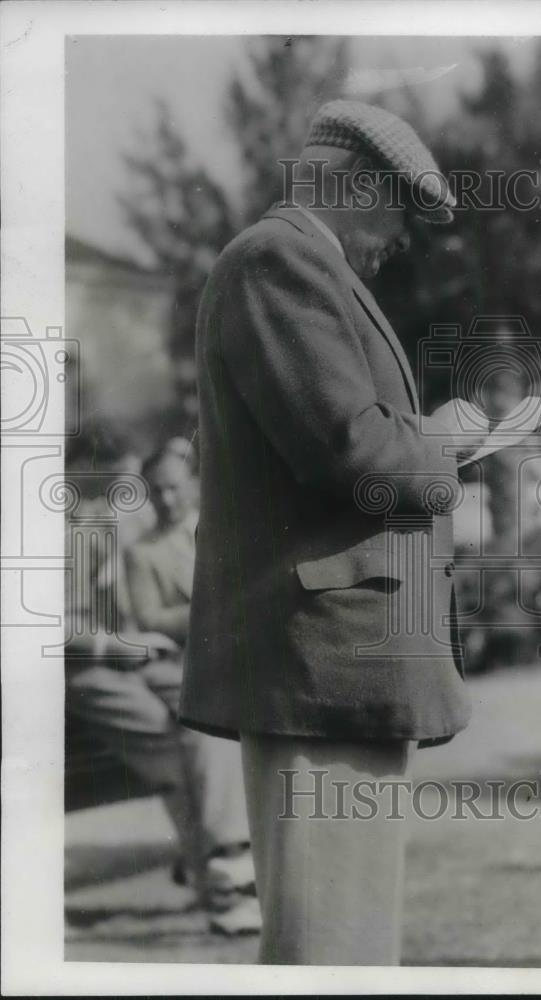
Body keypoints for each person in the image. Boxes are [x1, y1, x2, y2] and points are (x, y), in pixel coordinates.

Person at [180, 100, 491, 965]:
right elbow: (347, 449)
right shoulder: (280, 260)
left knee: (345, 944)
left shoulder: (294, 263)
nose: (402, 238)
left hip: (335, 661)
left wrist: (422, 440)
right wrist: (445, 440)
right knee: (330, 950)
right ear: (353, 182)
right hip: (322, 663)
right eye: (399, 209)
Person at [66, 433, 260, 935]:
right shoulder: (65, 535)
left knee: (195, 735)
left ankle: (217, 871)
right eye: (112, 484)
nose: (129, 498)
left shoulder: (123, 529)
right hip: (81, 673)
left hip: (138, 664)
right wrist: (115, 646)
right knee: (194, 734)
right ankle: (226, 872)